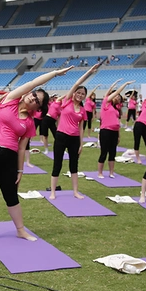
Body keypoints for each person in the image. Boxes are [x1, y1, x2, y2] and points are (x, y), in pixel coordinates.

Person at [0, 67, 72, 244]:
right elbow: (33, 83)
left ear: (38, 107)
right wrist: (54, 74)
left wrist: (20, 169)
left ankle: (20, 230)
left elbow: (22, 148)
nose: (32, 97)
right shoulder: (10, 100)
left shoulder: (29, 122)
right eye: (34, 94)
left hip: (9, 160)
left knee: (11, 196)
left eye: (37, 100)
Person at [49, 62, 100, 199]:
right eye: (78, 92)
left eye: (83, 94)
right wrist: (89, 71)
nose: (80, 95)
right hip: (61, 136)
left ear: (85, 96)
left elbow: (81, 127)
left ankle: (75, 191)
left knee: (74, 165)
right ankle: (53, 191)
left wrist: (81, 144)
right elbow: (76, 83)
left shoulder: (83, 111)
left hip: (74, 139)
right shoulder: (67, 102)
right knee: (57, 163)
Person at [97, 79, 134, 178]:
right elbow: (112, 92)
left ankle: (111, 172)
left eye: (118, 97)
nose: (117, 97)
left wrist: (118, 135)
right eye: (115, 96)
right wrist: (122, 84)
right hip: (105, 131)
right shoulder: (106, 103)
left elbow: (117, 123)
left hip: (114, 132)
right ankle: (100, 173)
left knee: (112, 152)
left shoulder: (116, 109)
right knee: (104, 152)